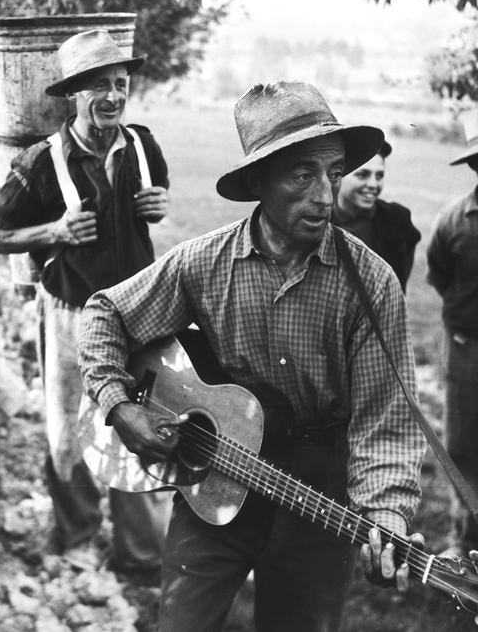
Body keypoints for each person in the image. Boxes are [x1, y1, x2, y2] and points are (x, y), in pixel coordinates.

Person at [78, 80, 427, 632]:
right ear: (259, 181)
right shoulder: (203, 262)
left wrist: (385, 512)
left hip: (317, 489)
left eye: (333, 174)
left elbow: (385, 419)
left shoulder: (372, 283)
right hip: (212, 473)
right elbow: (105, 314)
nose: (323, 195)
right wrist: (120, 405)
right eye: (302, 175)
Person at [0, 29, 172, 575]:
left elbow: (150, 209)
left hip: (139, 310)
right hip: (72, 313)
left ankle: (139, 552)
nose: (112, 96)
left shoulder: (142, 146)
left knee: (142, 419)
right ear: (73, 95)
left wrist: (157, 205)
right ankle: (77, 538)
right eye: (97, 86)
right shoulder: (43, 162)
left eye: (119, 83)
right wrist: (55, 232)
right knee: (71, 427)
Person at [426, 118, 478, 559]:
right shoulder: (454, 220)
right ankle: (464, 539)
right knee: (463, 444)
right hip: (467, 349)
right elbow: (441, 276)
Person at [331, 139, 421, 291]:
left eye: (379, 176)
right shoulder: (320, 221)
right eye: (362, 175)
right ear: (339, 175)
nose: (373, 184)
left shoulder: (396, 218)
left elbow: (408, 250)